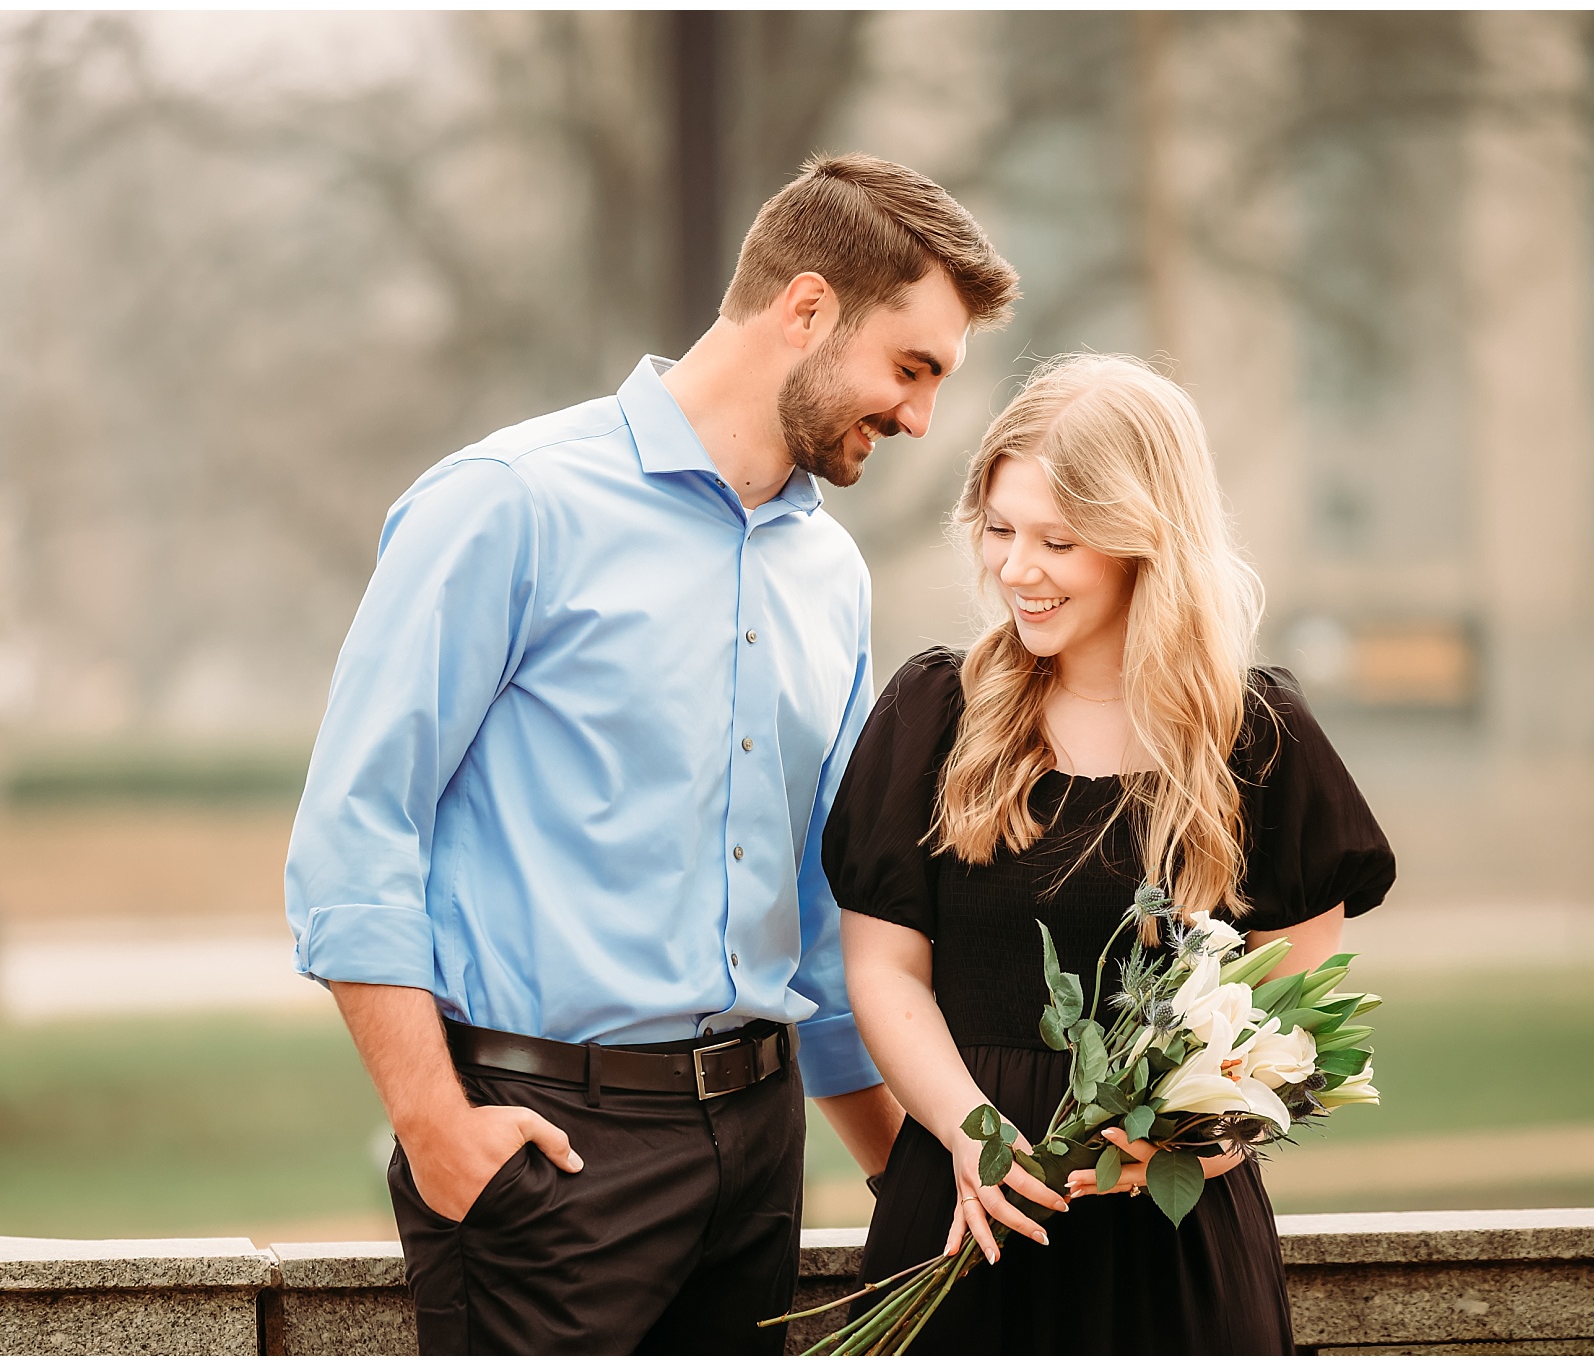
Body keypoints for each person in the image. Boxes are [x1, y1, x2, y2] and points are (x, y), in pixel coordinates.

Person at [284, 153, 1025, 1354]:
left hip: (758, 1144)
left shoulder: (826, 573)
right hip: (547, 1151)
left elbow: (827, 904)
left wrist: (909, 1174)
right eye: (910, 367)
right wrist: (435, 1127)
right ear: (805, 308)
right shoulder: (507, 504)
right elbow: (353, 832)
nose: (919, 416)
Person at [824, 352, 1397, 1353]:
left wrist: (1191, 1148)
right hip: (963, 1220)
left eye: (1057, 539)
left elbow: (1286, 1029)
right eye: (998, 530)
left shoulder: (1258, 741)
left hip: (1170, 1251)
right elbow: (879, 970)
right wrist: (978, 1139)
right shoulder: (932, 715)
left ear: (1145, 540)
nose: (1014, 568)